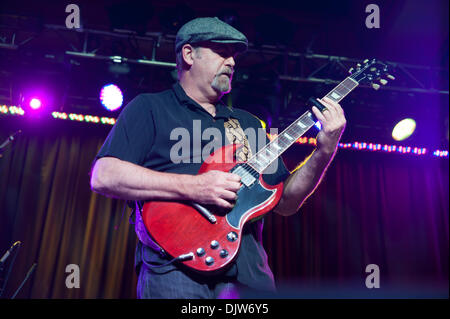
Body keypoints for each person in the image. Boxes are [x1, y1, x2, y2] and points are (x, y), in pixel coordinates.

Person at [90, 17, 346, 299]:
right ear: (189, 54)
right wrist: (195, 187)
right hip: (175, 269)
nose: (232, 62)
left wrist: (325, 150)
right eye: (222, 52)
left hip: (249, 277)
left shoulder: (249, 124)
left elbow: (286, 203)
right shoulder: (150, 108)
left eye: (234, 55)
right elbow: (104, 175)